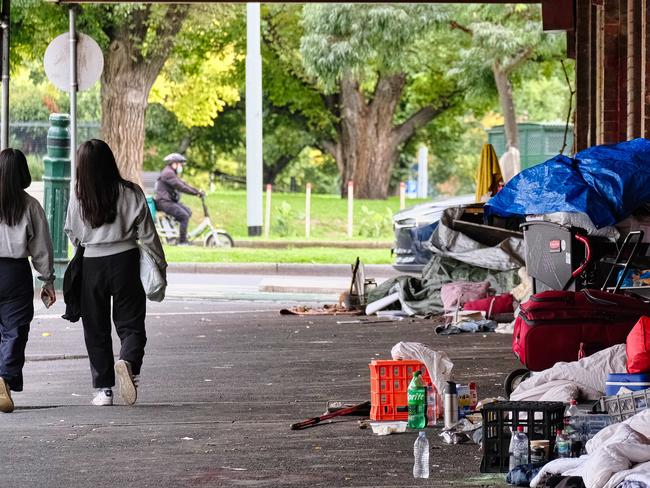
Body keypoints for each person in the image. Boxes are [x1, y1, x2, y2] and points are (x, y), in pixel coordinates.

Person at [64, 139, 166, 406]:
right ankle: (128, 362)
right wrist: (161, 266)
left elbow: (73, 233)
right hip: (126, 261)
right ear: (110, 161)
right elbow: (148, 234)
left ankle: (104, 390)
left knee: (95, 328)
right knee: (131, 323)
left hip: (92, 264)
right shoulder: (131, 192)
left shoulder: (78, 194)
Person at [0, 148, 56, 413]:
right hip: (15, 274)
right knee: (15, 330)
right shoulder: (30, 205)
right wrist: (47, 280)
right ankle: (5, 378)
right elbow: (41, 247)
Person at [154, 153, 204, 245]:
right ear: (174, 163)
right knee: (184, 216)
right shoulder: (168, 173)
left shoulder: (171, 172)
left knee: (188, 212)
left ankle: (174, 233)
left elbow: (184, 184)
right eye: (180, 164)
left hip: (168, 201)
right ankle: (182, 242)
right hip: (164, 202)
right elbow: (181, 187)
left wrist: (197, 191)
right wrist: (196, 193)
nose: (181, 166)